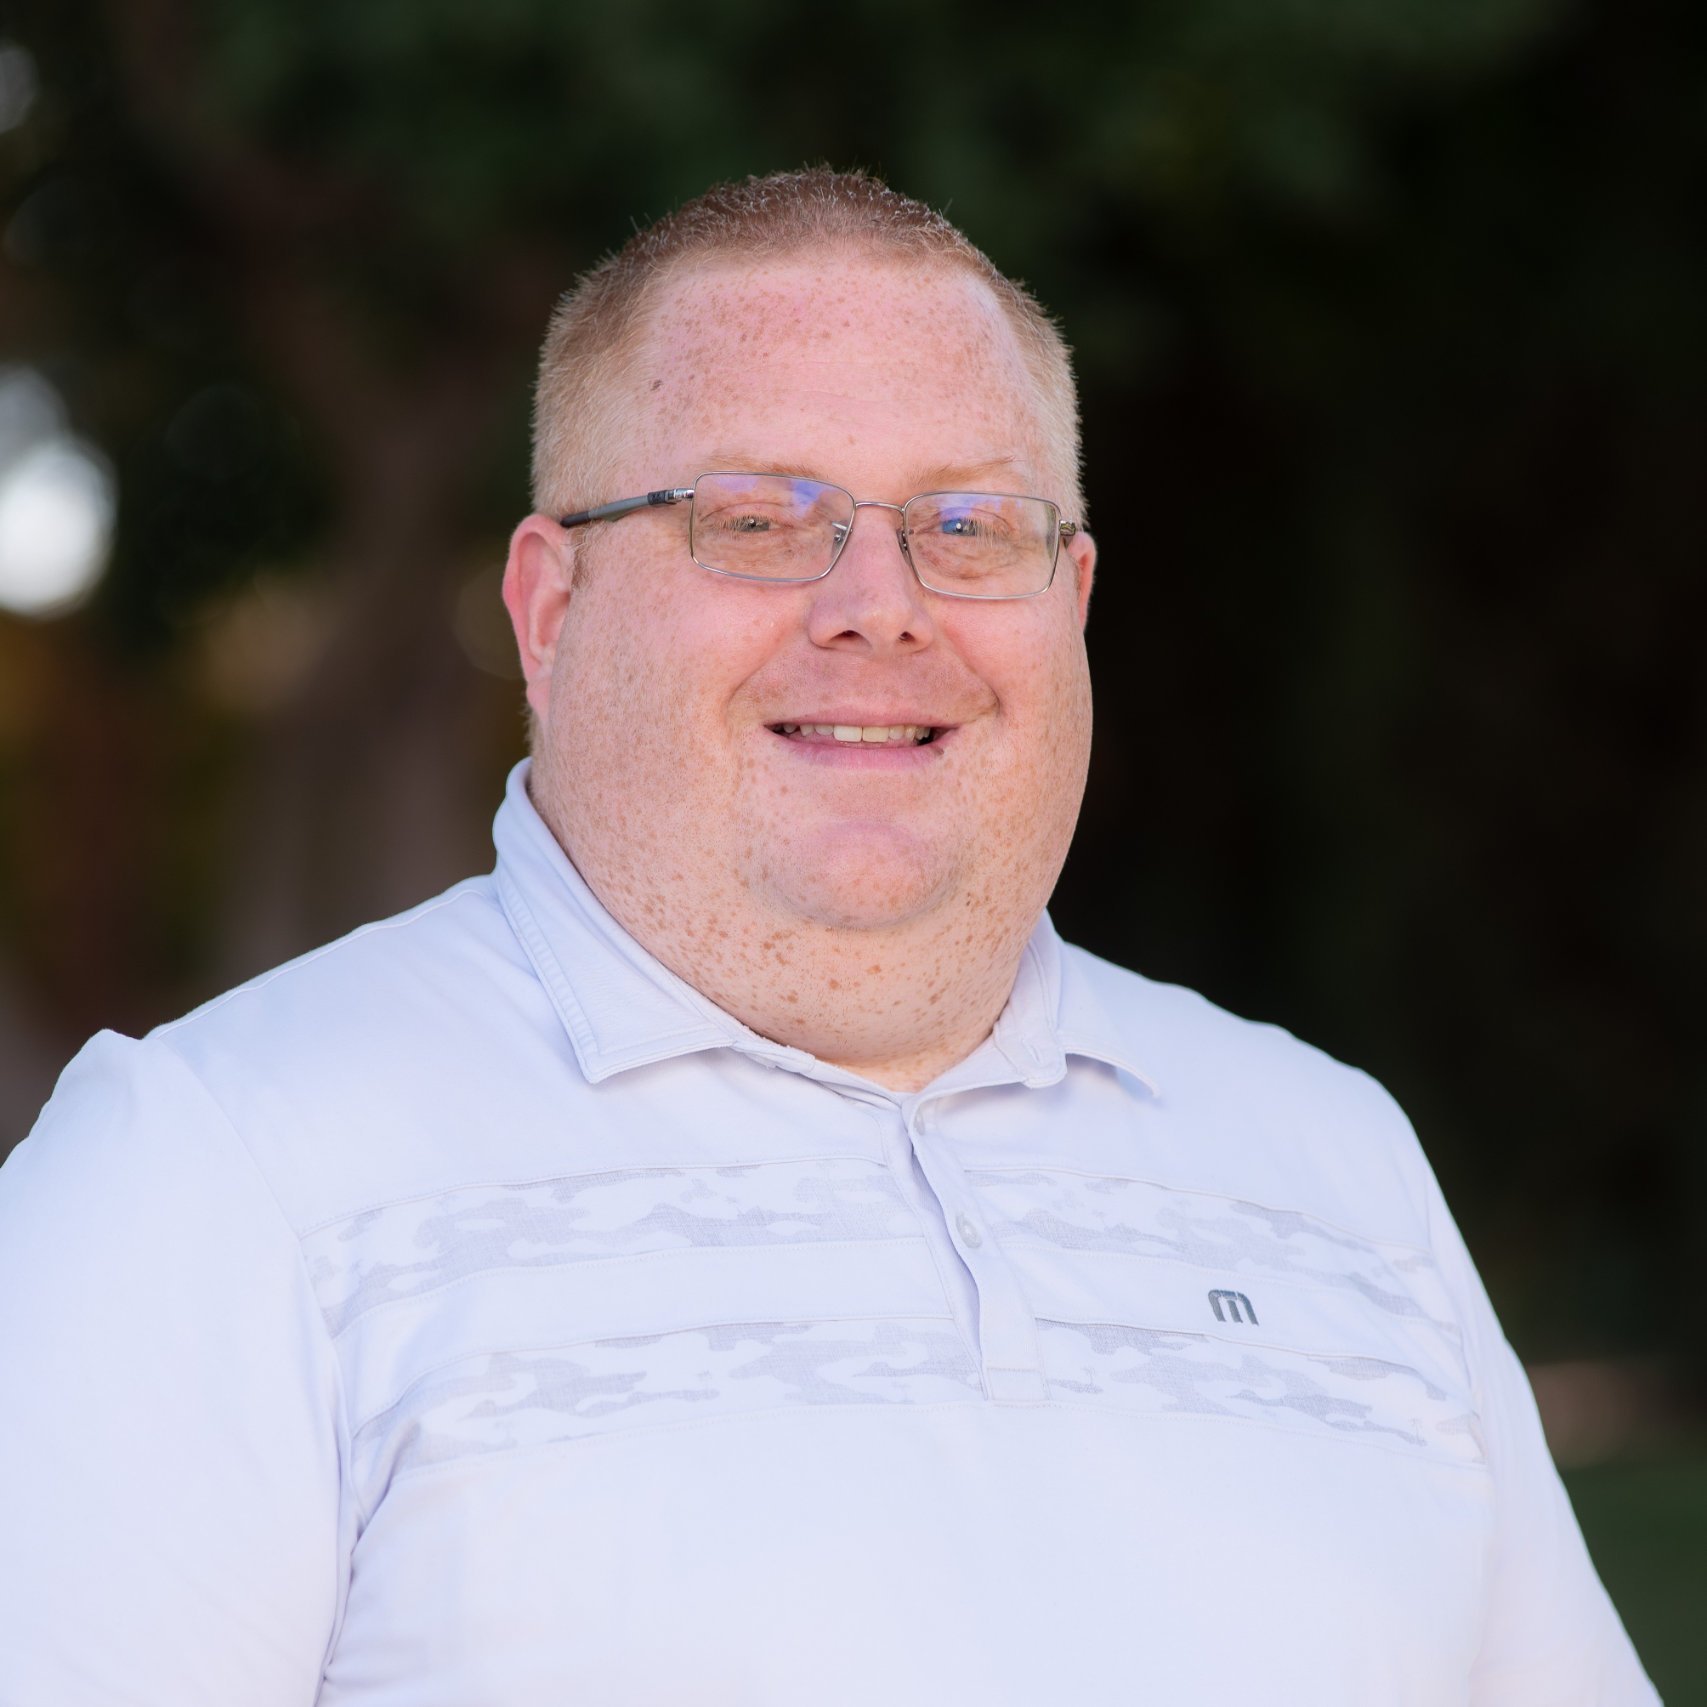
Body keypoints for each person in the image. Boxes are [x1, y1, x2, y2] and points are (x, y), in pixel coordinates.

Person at [0, 169, 1655, 1705]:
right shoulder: (212, 1177)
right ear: (550, 611)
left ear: (1071, 605)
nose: (880, 600)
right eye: (760, 516)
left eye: (969, 523)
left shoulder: (1330, 1162)